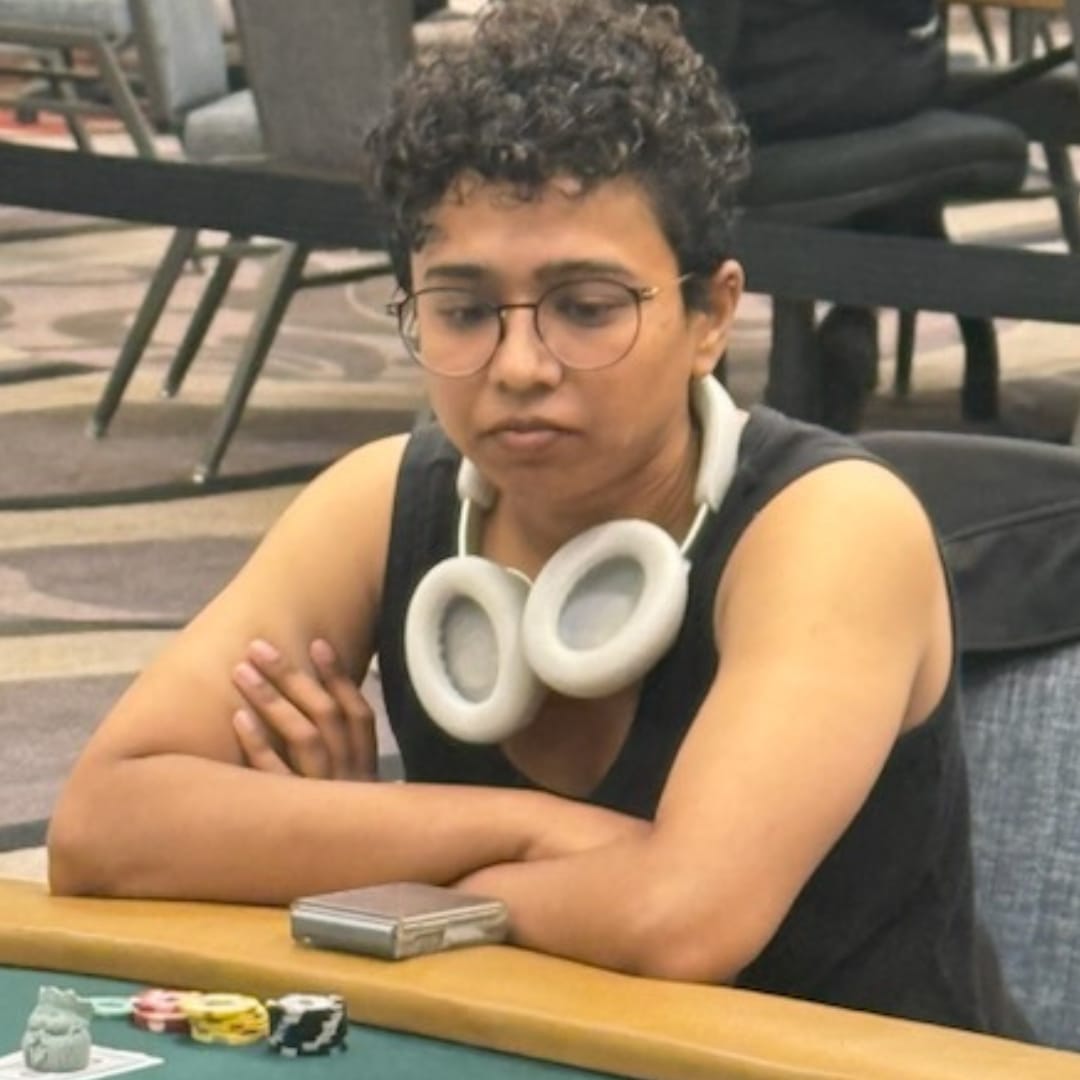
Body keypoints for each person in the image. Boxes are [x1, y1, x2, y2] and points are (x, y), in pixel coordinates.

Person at [47, 0, 1031, 1041]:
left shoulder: (829, 526)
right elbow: (103, 829)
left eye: (587, 308)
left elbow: (679, 921)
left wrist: (338, 847)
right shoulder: (380, 501)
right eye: (465, 312)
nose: (520, 367)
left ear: (711, 316)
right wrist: (529, 831)